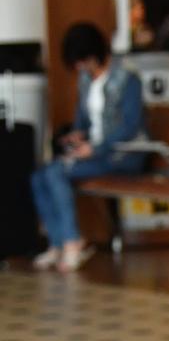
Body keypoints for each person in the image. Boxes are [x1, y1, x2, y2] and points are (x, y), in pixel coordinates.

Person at [30, 23, 147, 273]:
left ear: (95, 54)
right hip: (95, 151)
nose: (81, 68)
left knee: (55, 173)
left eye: (84, 62)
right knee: (39, 176)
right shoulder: (85, 81)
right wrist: (76, 136)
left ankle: (72, 241)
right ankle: (57, 242)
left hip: (124, 154)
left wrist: (96, 149)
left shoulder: (127, 77)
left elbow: (130, 126)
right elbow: (83, 121)